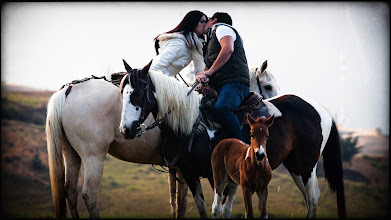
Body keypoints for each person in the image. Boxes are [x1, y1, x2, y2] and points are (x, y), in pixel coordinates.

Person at [195, 12, 250, 142]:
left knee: (222, 108)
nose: (204, 24)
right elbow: (209, 67)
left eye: (206, 20)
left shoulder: (222, 28)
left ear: (213, 20)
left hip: (235, 82)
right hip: (222, 84)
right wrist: (204, 77)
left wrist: (209, 72)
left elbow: (228, 49)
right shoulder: (209, 42)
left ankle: (243, 147)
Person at [150, 10, 208, 78]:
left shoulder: (193, 45)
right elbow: (156, 67)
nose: (205, 25)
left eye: (206, 22)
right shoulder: (179, 43)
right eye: (202, 22)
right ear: (193, 23)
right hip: (158, 83)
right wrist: (173, 85)